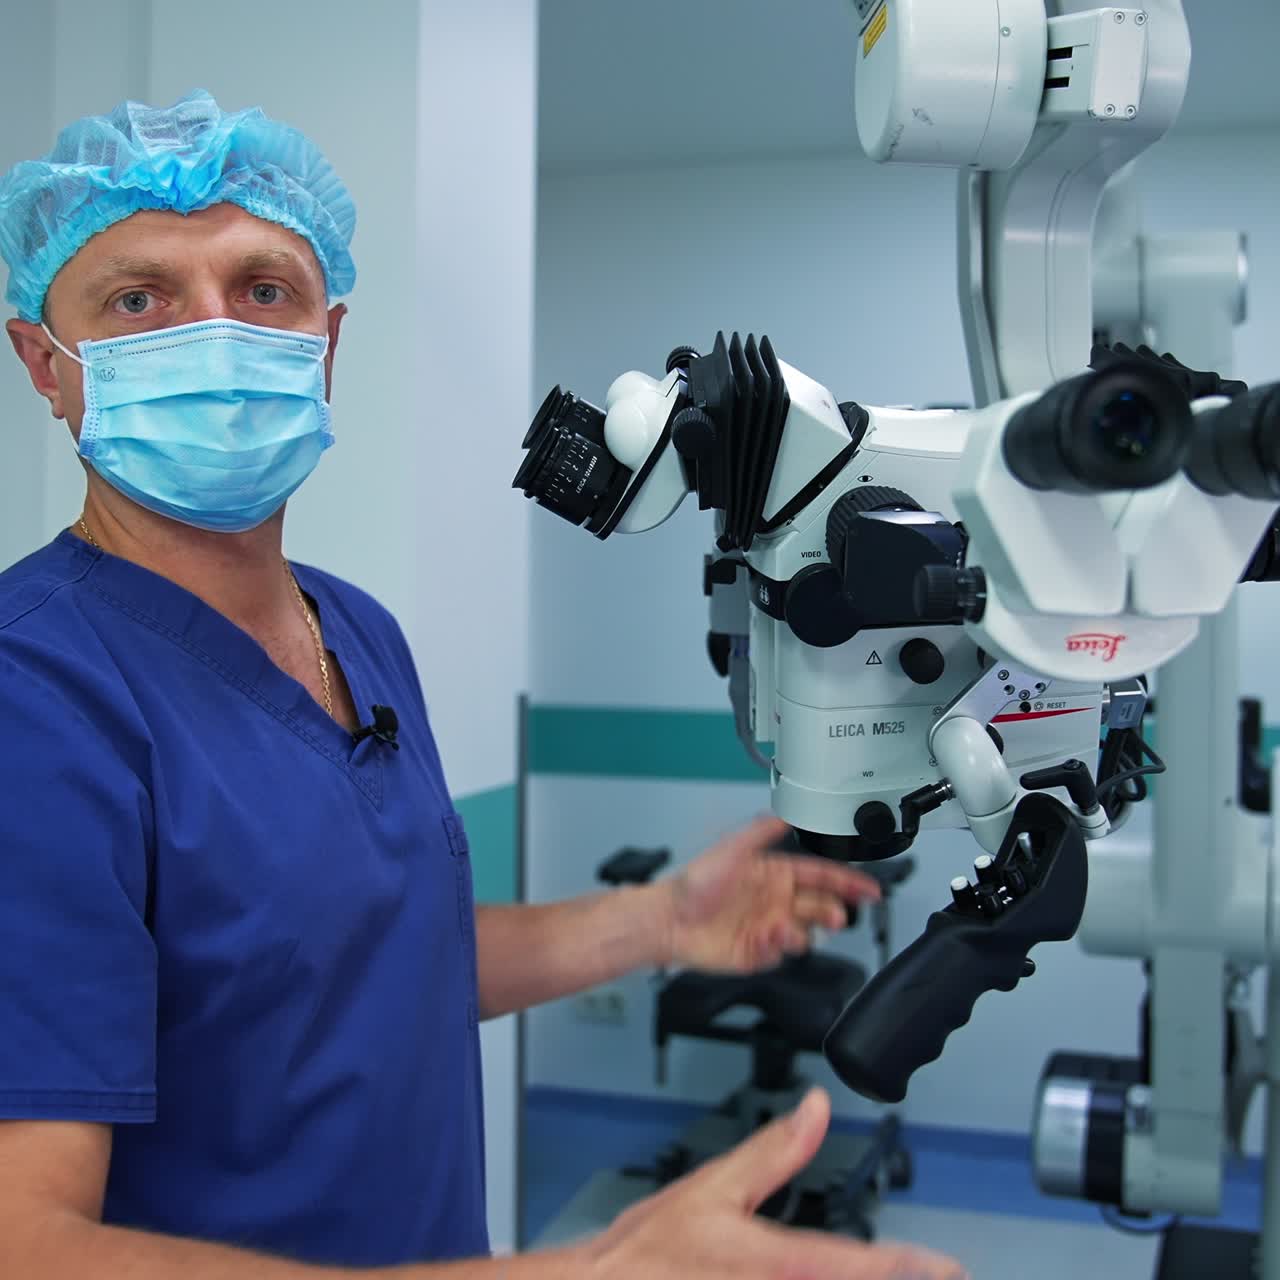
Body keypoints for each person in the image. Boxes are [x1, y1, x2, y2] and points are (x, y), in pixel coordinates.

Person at [0, 91, 965, 1280]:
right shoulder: (34, 697)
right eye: (139, 300)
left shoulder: (356, 629)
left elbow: (370, 959)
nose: (216, 334)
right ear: (46, 365)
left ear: (326, 343)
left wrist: (662, 916)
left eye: (263, 289)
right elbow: (27, 1245)